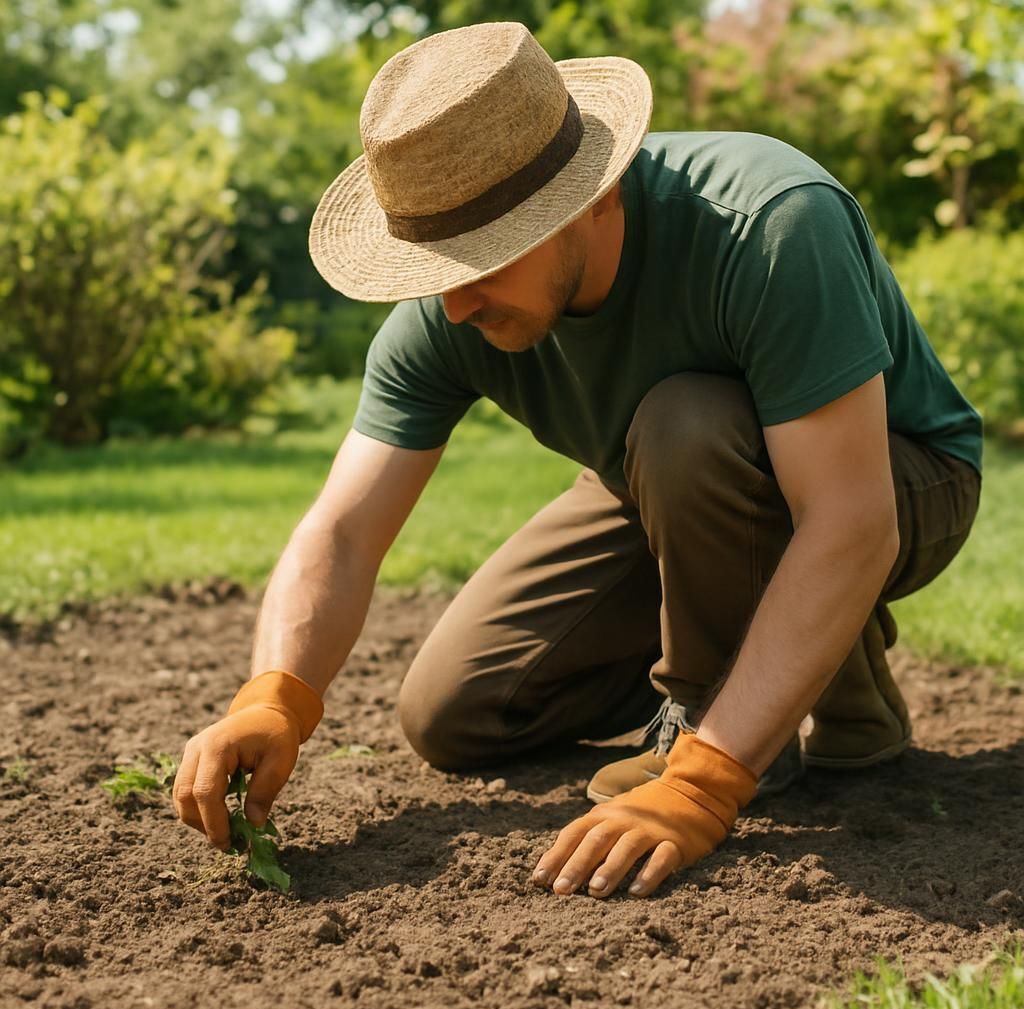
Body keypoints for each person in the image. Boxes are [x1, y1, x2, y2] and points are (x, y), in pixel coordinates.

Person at [172, 22, 982, 900]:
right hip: (665, 492)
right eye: (436, 262)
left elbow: (851, 521)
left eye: (485, 253)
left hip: (896, 483)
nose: (453, 301)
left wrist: (705, 782)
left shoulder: (767, 222)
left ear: (593, 196)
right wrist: (274, 696)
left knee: (686, 420)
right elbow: (342, 528)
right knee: (456, 713)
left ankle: (749, 717)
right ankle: (799, 655)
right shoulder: (453, 310)